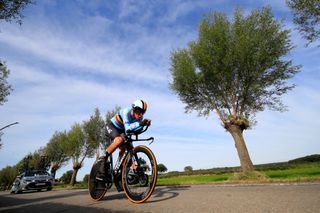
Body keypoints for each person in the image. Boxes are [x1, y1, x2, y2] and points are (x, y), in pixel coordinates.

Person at [96, 99, 151, 184]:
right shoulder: (126, 112)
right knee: (119, 140)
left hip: (121, 130)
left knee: (125, 147)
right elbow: (128, 128)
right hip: (112, 126)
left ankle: (117, 170)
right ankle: (103, 160)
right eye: (138, 111)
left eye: (142, 112)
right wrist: (140, 124)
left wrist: (144, 124)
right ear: (133, 108)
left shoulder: (140, 118)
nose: (140, 114)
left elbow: (136, 129)